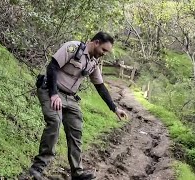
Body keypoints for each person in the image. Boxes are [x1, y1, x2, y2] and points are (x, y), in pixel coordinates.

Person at [29, 32, 128, 180]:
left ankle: (77, 172)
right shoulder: (73, 48)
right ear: (96, 43)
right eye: (104, 50)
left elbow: (100, 87)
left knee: (76, 129)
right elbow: (52, 67)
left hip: (70, 98)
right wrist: (54, 94)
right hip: (51, 90)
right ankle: (37, 168)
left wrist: (115, 108)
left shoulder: (93, 62)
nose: (104, 54)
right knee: (55, 122)